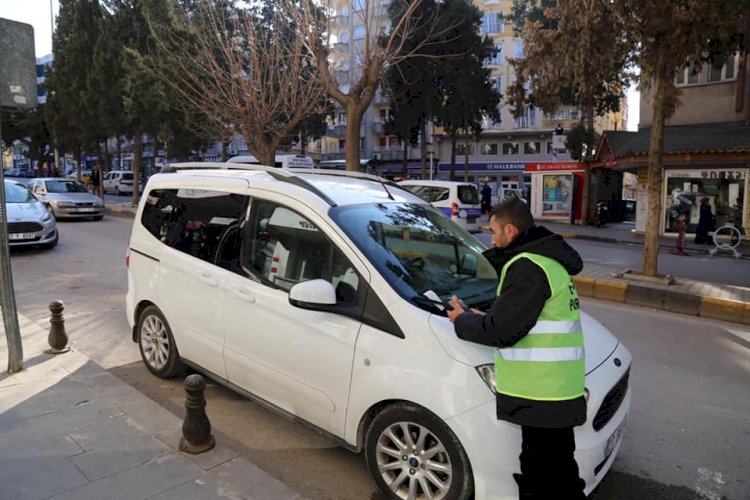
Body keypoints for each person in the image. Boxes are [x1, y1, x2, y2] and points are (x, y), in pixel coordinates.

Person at [446, 197, 587, 499]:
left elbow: (502, 331)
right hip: (556, 388)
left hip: (542, 393)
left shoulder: (527, 266)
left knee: (543, 475)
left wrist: (461, 321)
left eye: (494, 231)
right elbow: (525, 318)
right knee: (559, 471)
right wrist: (488, 316)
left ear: (510, 231)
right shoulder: (546, 261)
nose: (491, 238)